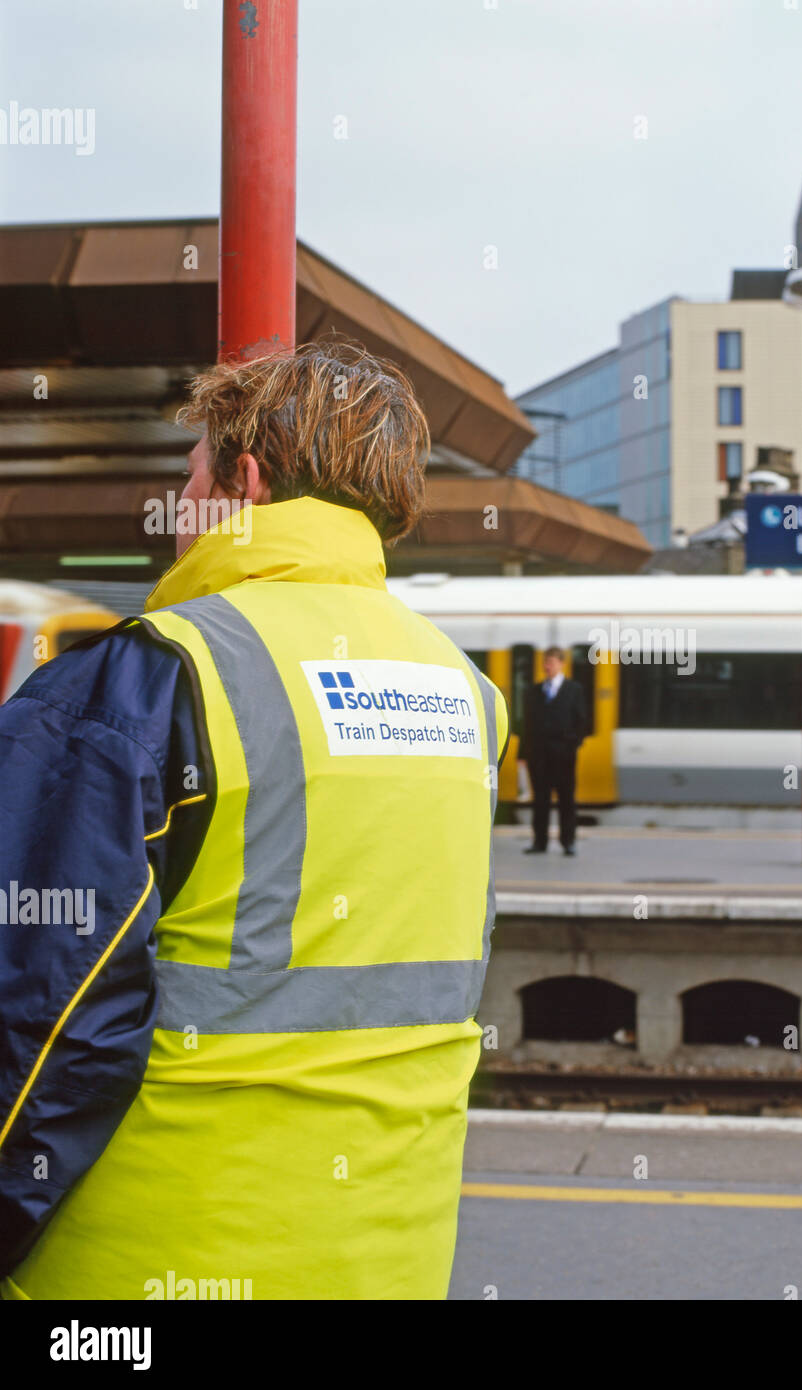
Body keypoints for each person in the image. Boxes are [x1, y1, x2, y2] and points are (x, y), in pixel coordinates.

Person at [0, 341, 507, 1299]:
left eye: (190, 473)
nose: (178, 507)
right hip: (387, 1251)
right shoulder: (464, 690)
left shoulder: (147, 677)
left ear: (246, 477)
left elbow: (42, 1015)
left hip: (151, 1253)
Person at [521, 645, 587, 856]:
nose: (545, 666)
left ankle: (568, 841)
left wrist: (572, 745)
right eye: (544, 662)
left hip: (564, 756)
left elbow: (582, 721)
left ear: (561, 663)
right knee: (540, 800)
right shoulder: (533, 691)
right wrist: (523, 754)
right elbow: (526, 725)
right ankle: (539, 842)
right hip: (538, 756)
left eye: (550, 662)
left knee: (566, 799)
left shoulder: (574, 690)